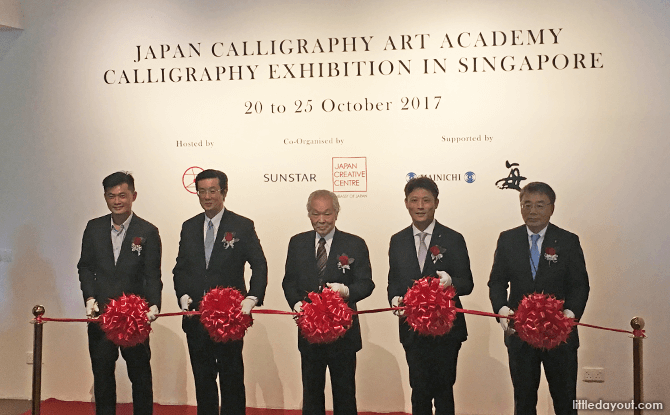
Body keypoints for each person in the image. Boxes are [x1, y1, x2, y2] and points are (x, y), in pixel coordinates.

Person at [488, 181, 590, 415]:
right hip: (520, 334)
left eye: (540, 205)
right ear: (520, 207)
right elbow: (497, 282)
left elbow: (580, 285)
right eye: (527, 205)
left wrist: (569, 315)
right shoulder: (507, 239)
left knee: (565, 402)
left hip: (560, 335)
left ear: (552, 208)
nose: (532, 211)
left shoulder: (568, 241)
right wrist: (501, 310)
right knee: (523, 402)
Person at [173, 169, 267, 415]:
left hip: (229, 319)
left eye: (212, 191)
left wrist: (252, 297)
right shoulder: (189, 226)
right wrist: (182, 294)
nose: (207, 196)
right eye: (202, 191)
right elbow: (180, 268)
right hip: (196, 318)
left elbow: (259, 264)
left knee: (231, 378)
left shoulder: (242, 225)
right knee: (203, 380)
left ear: (224, 192)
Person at [282, 190, 374, 415]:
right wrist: (296, 303)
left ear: (336, 213)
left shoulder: (355, 244)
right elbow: (289, 282)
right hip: (309, 333)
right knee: (311, 394)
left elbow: (367, 284)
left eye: (327, 214)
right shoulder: (297, 243)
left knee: (344, 394)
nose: (321, 220)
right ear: (308, 214)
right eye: (315, 214)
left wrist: (347, 292)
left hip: (343, 335)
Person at [78, 171, 162, 415]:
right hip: (101, 316)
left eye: (122, 195)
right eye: (111, 196)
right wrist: (90, 297)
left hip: (134, 318)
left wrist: (154, 304)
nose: (117, 201)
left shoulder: (147, 231)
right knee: (102, 376)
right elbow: (85, 266)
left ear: (133, 196)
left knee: (140, 376)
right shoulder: (93, 228)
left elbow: (152, 274)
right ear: (105, 197)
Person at [387, 177, 473, 415]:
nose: (420, 206)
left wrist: (451, 283)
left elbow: (468, 283)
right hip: (412, 330)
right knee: (419, 390)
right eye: (414, 200)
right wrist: (394, 299)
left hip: (447, 330)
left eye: (426, 200)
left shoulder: (453, 239)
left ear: (436, 203)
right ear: (406, 203)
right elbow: (393, 282)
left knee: (444, 390)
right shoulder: (398, 240)